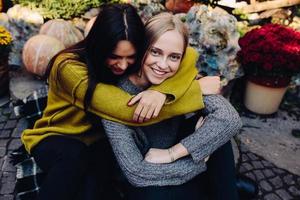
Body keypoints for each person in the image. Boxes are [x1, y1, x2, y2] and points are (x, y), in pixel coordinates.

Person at [21, 4, 221, 200]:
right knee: (73, 158)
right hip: (58, 135)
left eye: (131, 57)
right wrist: (193, 93)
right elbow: (124, 110)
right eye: (115, 56)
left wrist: (161, 92)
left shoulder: (130, 61)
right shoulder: (68, 67)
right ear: (99, 47)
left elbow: (187, 54)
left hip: (99, 138)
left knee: (99, 184)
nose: (123, 65)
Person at [101, 12, 242, 200]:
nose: (163, 65)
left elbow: (229, 119)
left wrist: (172, 154)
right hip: (144, 176)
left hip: (173, 151)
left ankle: (224, 189)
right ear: (142, 48)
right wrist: (199, 160)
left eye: (174, 57)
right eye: (155, 52)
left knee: (218, 135)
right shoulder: (114, 96)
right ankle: (221, 186)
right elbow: (137, 173)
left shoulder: (177, 77)